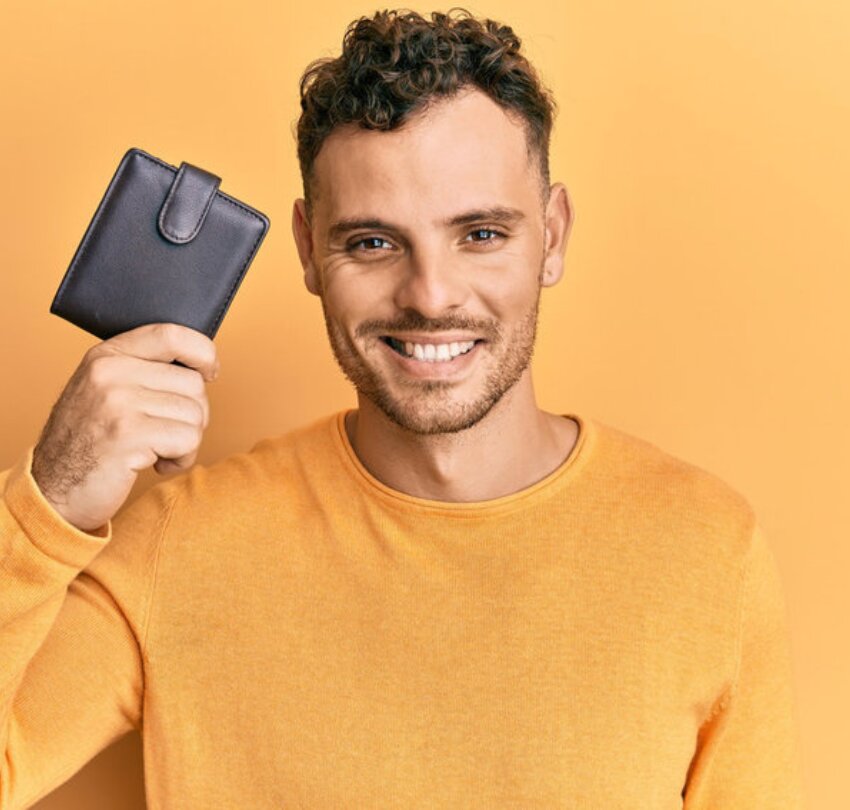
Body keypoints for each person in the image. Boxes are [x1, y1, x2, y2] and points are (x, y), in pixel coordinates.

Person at [0, 8, 804, 808]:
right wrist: (53, 497)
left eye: (481, 233)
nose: (430, 295)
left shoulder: (707, 550)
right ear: (310, 248)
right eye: (373, 243)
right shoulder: (180, 546)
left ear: (552, 236)